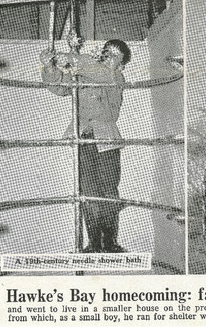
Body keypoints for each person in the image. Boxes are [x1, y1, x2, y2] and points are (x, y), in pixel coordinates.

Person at [41, 39, 131, 253]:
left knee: (108, 191)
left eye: (114, 55)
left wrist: (71, 58)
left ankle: (109, 242)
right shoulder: (85, 73)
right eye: (106, 51)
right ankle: (93, 243)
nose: (108, 55)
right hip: (83, 137)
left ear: (122, 65)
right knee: (87, 191)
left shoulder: (115, 76)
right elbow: (58, 87)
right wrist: (49, 66)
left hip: (106, 141)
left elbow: (99, 72)